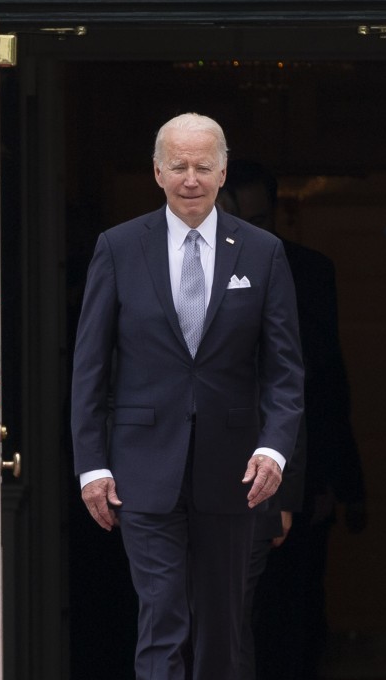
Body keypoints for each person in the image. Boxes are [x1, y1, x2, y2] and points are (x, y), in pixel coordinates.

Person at [70, 113, 304, 680]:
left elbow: (284, 370)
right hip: (142, 467)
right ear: (157, 172)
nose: (191, 179)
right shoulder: (120, 247)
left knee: (223, 624)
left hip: (234, 470)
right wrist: (91, 466)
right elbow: (90, 368)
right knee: (162, 616)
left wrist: (274, 451)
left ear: (223, 172)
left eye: (203, 166)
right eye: (179, 166)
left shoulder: (262, 251)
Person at [218, 160, 366, 680]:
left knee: (296, 605)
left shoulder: (306, 270)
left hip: (294, 466)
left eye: (259, 219)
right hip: (210, 470)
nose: (248, 231)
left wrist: (333, 479)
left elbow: (321, 379)